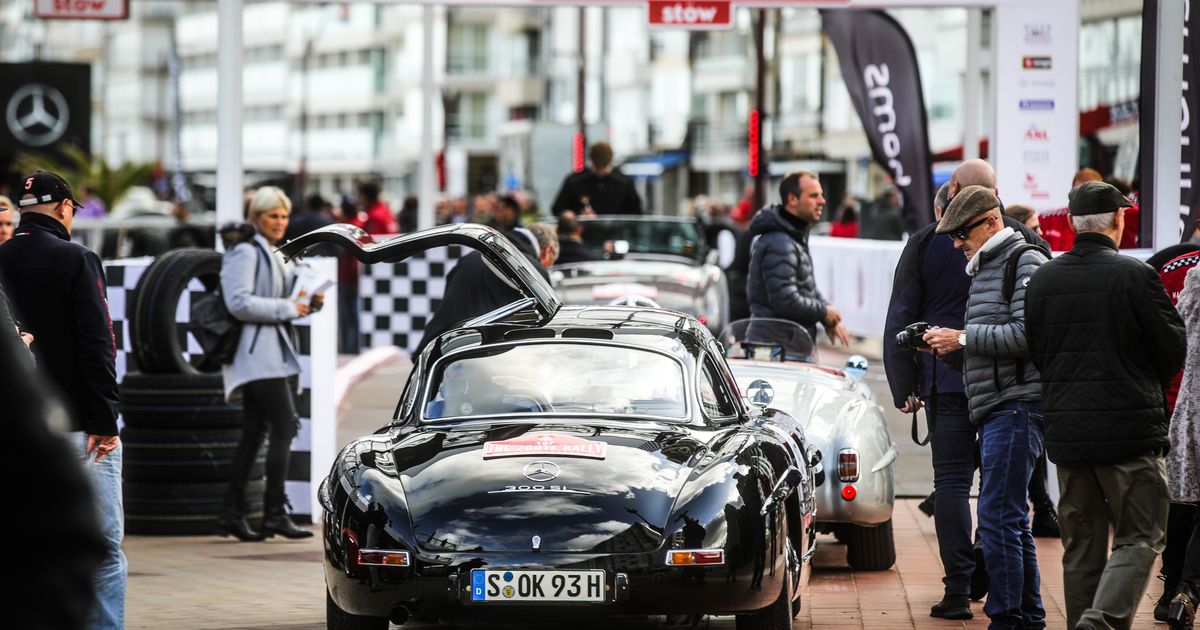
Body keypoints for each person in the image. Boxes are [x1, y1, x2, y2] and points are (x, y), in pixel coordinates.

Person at [1025, 181, 1187, 630]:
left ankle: (1087, 621)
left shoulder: (1044, 279)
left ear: (1075, 224)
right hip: (1130, 434)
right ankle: (1100, 622)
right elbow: (1173, 348)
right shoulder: (1135, 276)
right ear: (1118, 221)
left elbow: (1036, 350)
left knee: (1082, 545)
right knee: (1142, 535)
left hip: (1069, 437)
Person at [0, 170, 125, 628]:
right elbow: (98, 344)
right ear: (65, 208)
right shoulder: (77, 259)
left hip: (14, 432)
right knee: (106, 551)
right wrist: (105, 420)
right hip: (79, 429)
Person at [923, 185, 1049, 630]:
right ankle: (1028, 617)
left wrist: (963, 339)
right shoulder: (989, 266)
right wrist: (951, 347)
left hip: (1016, 408)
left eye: (961, 233)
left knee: (997, 518)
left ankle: (1009, 619)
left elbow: (1028, 336)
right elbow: (998, 342)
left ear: (991, 222)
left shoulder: (1023, 260)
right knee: (1010, 520)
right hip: (1002, 407)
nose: (957, 243)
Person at [883, 182, 978, 620]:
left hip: (948, 381)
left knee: (953, 486)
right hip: (1005, 387)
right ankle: (991, 578)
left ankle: (959, 588)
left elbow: (902, 311)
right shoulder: (1020, 238)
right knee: (1002, 490)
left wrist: (905, 383)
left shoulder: (925, 241)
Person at [217, 186, 322, 543]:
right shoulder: (246, 252)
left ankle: (233, 512)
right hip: (257, 355)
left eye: (283, 215)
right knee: (284, 426)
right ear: (256, 218)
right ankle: (273, 513)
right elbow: (238, 302)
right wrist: (289, 308)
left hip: (269, 353)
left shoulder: (270, 252)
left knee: (255, 433)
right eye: (272, 216)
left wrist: (310, 300)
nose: (279, 222)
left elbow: (283, 299)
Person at [416, 223, 558, 354]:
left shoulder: (470, 258)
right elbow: (543, 325)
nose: (546, 267)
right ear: (548, 250)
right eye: (549, 263)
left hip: (440, 347)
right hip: (490, 355)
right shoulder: (531, 269)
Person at [746, 170, 850, 347]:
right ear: (792, 199)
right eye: (813, 196)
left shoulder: (792, 237)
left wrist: (827, 316)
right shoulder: (780, 242)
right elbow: (786, 301)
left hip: (786, 344)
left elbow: (806, 288)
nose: (821, 201)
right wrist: (824, 312)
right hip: (777, 349)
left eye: (821, 195)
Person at [1166, 265, 1200, 630]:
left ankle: (1176, 591)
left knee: (1184, 504)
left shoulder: (1196, 275)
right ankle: (1186, 591)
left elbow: (1177, 333)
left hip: (1192, 405)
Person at [551, 141, 643, 216]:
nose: (601, 171)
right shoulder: (575, 181)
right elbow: (557, 209)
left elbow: (636, 212)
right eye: (597, 167)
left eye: (604, 167)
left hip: (616, 234)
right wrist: (578, 214)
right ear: (591, 160)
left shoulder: (624, 182)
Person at [1039, 168, 1103, 252]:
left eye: (1089, 194)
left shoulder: (1108, 223)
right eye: (1078, 192)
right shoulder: (1047, 219)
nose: (1083, 198)